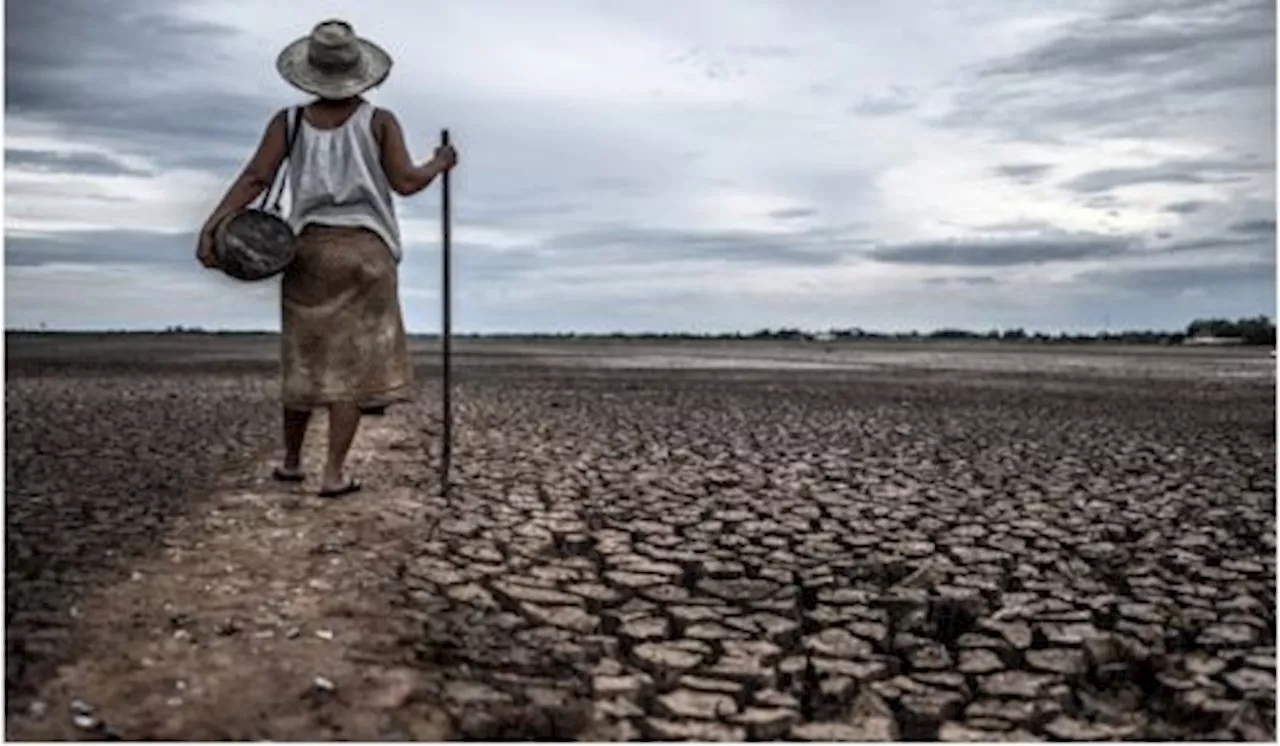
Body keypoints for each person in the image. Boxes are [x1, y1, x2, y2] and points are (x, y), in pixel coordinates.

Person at [196, 19, 457, 497]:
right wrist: (439, 163)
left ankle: (293, 462)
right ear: (361, 72)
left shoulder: (289, 122)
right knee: (353, 370)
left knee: (305, 359)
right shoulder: (378, 121)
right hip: (367, 253)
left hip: (307, 252)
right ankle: (333, 474)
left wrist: (214, 225)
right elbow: (405, 181)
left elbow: (256, 178)